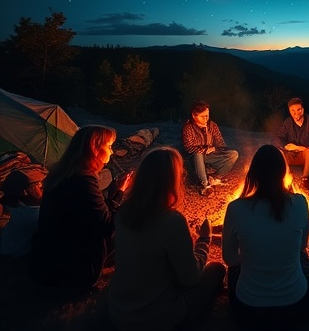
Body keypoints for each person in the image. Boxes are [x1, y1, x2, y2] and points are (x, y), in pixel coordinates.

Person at [108, 146, 226, 331]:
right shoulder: (172, 221)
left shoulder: (123, 212)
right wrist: (204, 239)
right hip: (157, 318)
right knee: (216, 269)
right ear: (172, 180)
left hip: (118, 311)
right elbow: (191, 278)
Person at [28, 125, 132, 297]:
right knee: (128, 230)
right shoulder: (82, 181)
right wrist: (120, 194)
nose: (112, 152)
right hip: (68, 279)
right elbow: (107, 225)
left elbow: (88, 213)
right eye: (109, 146)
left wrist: (113, 192)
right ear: (95, 149)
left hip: (40, 270)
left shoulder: (62, 174)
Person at [222, 144, 309, 330]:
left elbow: (230, 259)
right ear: (283, 173)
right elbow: (301, 247)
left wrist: (253, 254)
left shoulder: (236, 208)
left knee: (232, 271)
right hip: (296, 309)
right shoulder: (299, 203)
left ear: (253, 174)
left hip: (248, 311)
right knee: (302, 258)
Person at [181, 100, 238, 196]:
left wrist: (215, 149)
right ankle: (205, 185)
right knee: (198, 154)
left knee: (234, 154)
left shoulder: (212, 126)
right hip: (195, 159)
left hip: (210, 156)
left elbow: (221, 144)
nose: (206, 118)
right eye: (203, 116)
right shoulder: (187, 128)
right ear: (194, 116)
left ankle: (214, 177)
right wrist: (205, 150)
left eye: (207, 115)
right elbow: (189, 148)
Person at [273, 97, 309, 190]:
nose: (296, 113)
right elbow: (279, 137)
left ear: (302, 110)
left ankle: (305, 178)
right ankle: (282, 175)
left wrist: (298, 147)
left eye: (298, 109)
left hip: (305, 155)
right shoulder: (288, 122)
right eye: (292, 110)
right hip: (292, 154)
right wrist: (286, 147)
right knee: (278, 151)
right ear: (289, 111)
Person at [0, 168, 46, 257]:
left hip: (6, 244)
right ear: (25, 192)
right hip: (15, 256)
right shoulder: (34, 216)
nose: (42, 187)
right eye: (38, 185)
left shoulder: (18, 204)